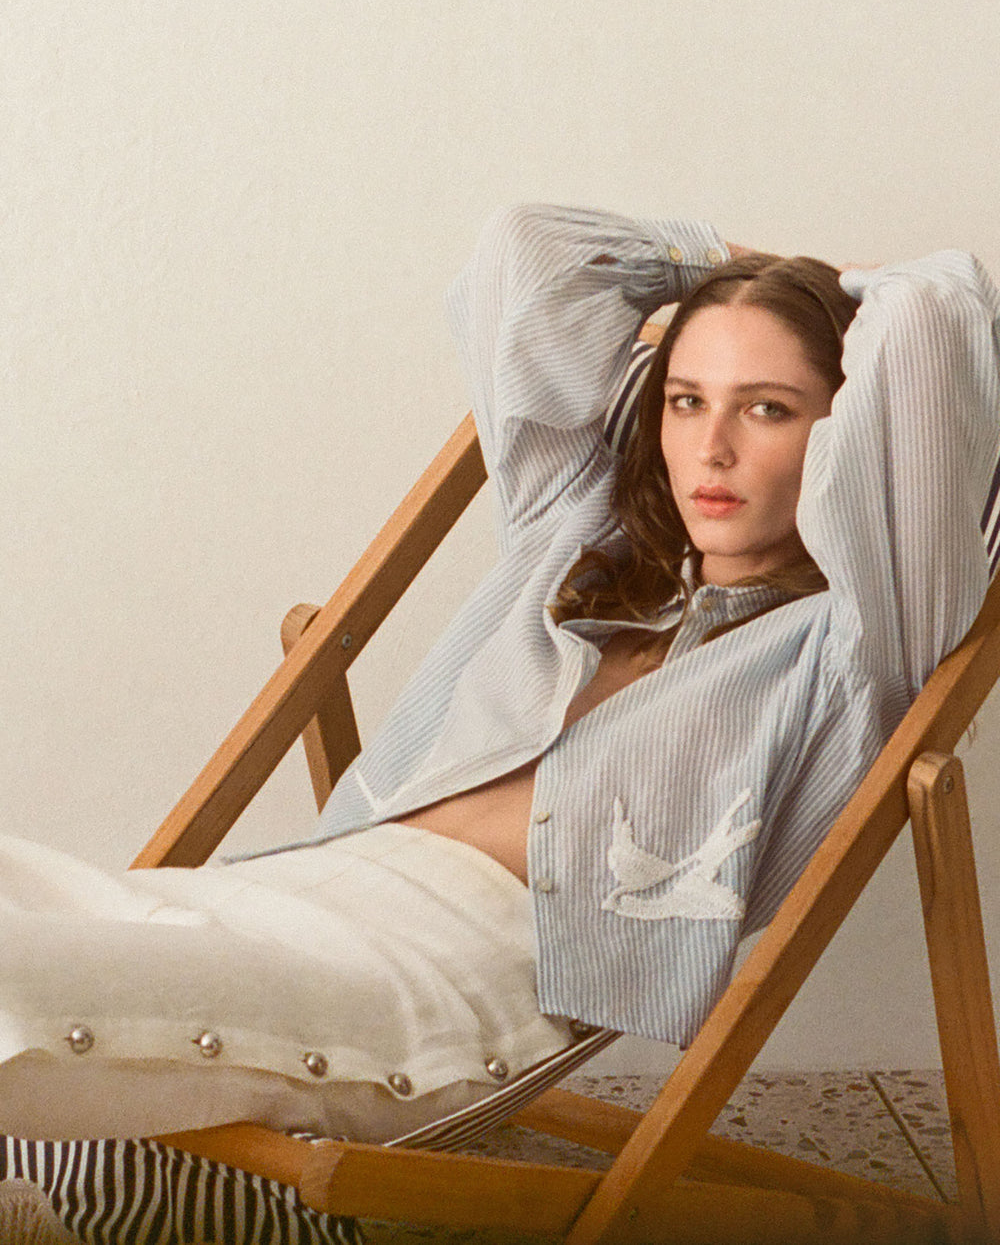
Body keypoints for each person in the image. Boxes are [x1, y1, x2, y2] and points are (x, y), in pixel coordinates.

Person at [2, 204, 999, 1244]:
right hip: (302, 883)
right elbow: (528, 251)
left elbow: (936, 315)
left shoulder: (861, 635)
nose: (710, 446)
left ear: (844, 433)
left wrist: (842, 287)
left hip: (438, 974)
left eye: (768, 408)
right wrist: (713, 267)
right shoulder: (574, 536)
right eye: (686, 398)